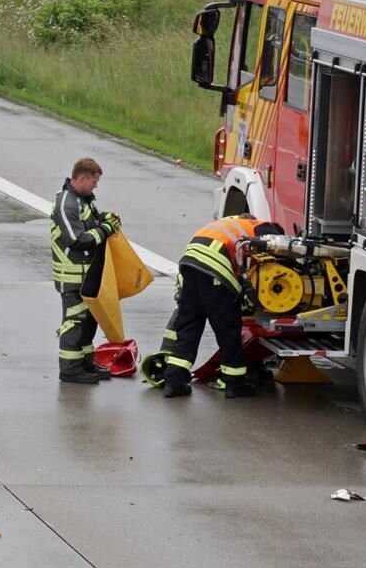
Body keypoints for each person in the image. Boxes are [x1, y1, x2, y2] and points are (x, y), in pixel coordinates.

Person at [149, 215, 282, 399]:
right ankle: (235, 384)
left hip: (189, 267)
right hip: (214, 271)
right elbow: (280, 243)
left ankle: (174, 382)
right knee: (227, 329)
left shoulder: (225, 224)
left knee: (189, 328)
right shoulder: (259, 226)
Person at [50, 157, 120, 385]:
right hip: (72, 277)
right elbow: (77, 239)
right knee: (75, 322)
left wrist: (105, 219)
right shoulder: (67, 203)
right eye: (94, 181)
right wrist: (106, 229)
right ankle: (70, 369)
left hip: (86, 275)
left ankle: (86, 363)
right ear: (81, 178)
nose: (96, 186)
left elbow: (92, 223)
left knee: (90, 322)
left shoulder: (83, 201)